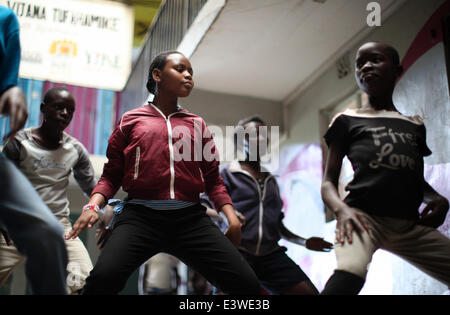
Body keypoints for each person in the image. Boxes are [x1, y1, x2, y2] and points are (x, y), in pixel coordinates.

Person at [66, 50, 261, 295]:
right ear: (157, 75)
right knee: (102, 282)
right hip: (140, 218)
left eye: (191, 71)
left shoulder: (196, 124)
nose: (188, 75)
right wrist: (92, 207)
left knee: (248, 287)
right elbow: (111, 175)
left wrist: (230, 218)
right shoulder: (130, 120)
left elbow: (213, 180)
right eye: (180, 69)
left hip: (190, 220)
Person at [320, 41, 450, 295]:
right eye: (360, 64)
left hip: (409, 224)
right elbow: (327, 183)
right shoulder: (347, 120)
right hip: (360, 217)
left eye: (375, 60)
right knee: (349, 277)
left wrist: (436, 198)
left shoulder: (413, 126)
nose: (366, 66)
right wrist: (342, 211)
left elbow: (414, 178)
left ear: (396, 70)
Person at [202, 116, 333, 295]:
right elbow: (201, 206)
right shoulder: (225, 173)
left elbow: (277, 226)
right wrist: (227, 214)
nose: (261, 139)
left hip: (271, 256)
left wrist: (304, 242)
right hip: (237, 253)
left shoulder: (271, 181)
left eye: (264, 135)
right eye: (253, 134)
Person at [2, 87, 96, 294]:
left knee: (86, 284)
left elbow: (93, 188)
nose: (64, 113)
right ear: (44, 108)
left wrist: (99, 208)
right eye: (58, 107)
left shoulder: (76, 149)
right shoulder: (18, 143)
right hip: (13, 227)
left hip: (59, 228)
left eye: (70, 110)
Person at [0, 6, 67, 295]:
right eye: (57, 108)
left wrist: (11, 91)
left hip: (59, 221)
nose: (62, 114)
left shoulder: (5, 19)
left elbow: (7, 85)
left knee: (47, 234)